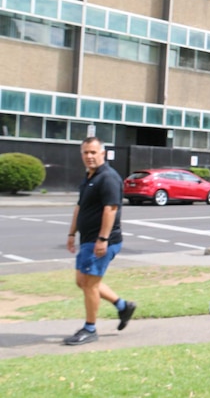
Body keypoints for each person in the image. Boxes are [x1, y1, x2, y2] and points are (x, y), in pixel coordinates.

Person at [64, 136, 136, 345]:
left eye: (93, 152)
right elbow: (80, 207)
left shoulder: (108, 177)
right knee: (83, 282)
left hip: (102, 240)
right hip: (87, 240)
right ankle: (123, 306)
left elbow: (111, 208)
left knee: (89, 284)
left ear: (102, 153)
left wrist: (103, 239)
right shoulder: (89, 177)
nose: (89, 156)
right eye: (85, 153)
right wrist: (71, 234)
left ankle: (90, 328)